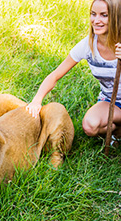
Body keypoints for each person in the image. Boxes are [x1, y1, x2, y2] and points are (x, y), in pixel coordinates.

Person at [26, 0, 121, 141]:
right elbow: (55, 75)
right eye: (93, 14)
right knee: (90, 125)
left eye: (104, 15)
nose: (96, 20)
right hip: (111, 102)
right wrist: (36, 100)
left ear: (116, 17)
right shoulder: (88, 45)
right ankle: (118, 131)